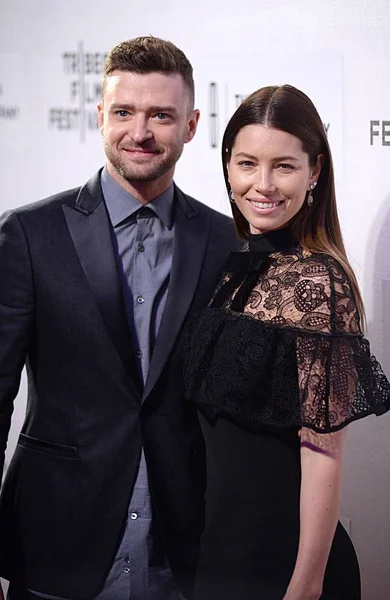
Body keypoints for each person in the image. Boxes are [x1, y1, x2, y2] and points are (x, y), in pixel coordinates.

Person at [0, 36, 236, 600]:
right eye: (124, 112)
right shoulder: (29, 235)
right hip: (57, 543)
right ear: (101, 114)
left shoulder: (226, 243)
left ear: (191, 124)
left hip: (182, 554)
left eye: (161, 115)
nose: (140, 132)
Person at [183, 84, 390, 600]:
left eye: (284, 166)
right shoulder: (239, 264)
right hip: (222, 553)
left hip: (282, 567)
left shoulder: (320, 282)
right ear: (228, 165)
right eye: (248, 163)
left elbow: (323, 452)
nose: (263, 184)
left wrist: (306, 586)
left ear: (315, 170)